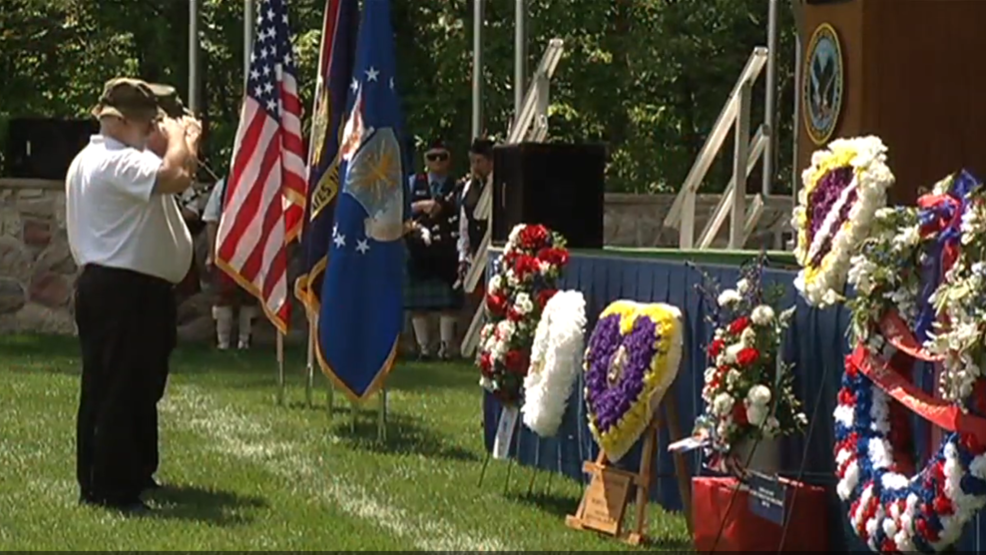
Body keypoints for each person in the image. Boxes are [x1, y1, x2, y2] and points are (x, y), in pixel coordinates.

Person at [68, 77, 198, 514]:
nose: (152, 129)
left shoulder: (115, 158)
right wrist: (182, 139)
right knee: (119, 387)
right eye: (146, 122)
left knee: (137, 385)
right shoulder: (113, 161)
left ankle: (132, 471)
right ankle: (110, 487)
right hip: (121, 288)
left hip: (130, 288)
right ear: (118, 121)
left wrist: (167, 143)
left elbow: (166, 168)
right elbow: (178, 175)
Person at [404, 139, 462, 360]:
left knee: (447, 302)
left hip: (447, 250)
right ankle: (424, 348)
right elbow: (401, 209)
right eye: (432, 156)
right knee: (419, 304)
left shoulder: (457, 186)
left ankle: (446, 347)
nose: (437, 161)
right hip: (418, 248)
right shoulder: (412, 183)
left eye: (442, 156)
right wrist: (421, 206)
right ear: (425, 159)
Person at [202, 176, 258, 350]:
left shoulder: (260, 180)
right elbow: (212, 220)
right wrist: (212, 253)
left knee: (249, 296)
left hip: (252, 249)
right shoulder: (223, 185)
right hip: (226, 249)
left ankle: (244, 342)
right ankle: (223, 342)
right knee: (223, 297)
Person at [457, 137, 494, 286]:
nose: (475, 166)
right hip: (474, 258)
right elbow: (464, 225)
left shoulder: (499, 186)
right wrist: (462, 257)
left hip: (491, 256)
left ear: (491, 162)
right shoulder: (468, 188)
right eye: (472, 162)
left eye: (479, 161)